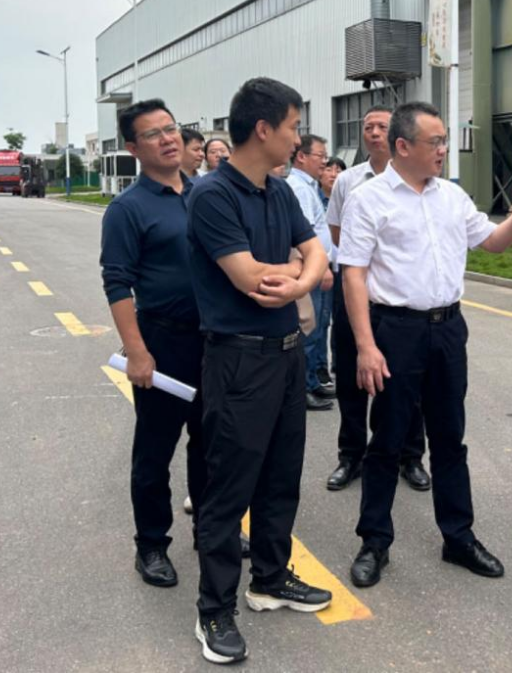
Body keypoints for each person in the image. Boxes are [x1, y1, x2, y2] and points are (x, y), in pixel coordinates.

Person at [338, 101, 512, 588]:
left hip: (448, 329)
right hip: (395, 331)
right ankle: (374, 541)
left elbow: (492, 243)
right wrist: (365, 345)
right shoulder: (368, 199)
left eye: (445, 140)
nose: (444, 149)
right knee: (387, 439)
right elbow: (353, 273)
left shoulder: (451, 196)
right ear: (403, 146)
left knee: (450, 437)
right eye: (436, 142)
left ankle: (459, 537)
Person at [187, 77, 332, 664]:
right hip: (239, 359)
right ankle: (214, 609)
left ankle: (270, 579)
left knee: (280, 477)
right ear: (264, 128)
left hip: (286, 354)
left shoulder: (279, 191)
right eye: (294, 127)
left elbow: (316, 252)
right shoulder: (213, 195)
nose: (298, 139)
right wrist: (299, 275)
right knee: (229, 490)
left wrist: (295, 280)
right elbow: (249, 278)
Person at [100, 99, 205, 591]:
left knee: (212, 443)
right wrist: (137, 351)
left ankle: (211, 528)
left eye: (171, 128)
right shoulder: (128, 209)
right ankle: (152, 544)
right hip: (163, 342)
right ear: (133, 148)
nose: (167, 139)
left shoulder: (205, 194)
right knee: (155, 450)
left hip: (215, 341)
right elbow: (117, 283)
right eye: (153, 134)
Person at [324, 105, 429, 495]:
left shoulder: (420, 178)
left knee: (407, 377)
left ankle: (410, 456)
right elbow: (337, 232)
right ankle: (351, 455)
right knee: (351, 375)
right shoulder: (348, 180)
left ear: (397, 135)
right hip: (354, 289)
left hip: (399, 296)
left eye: (380, 126)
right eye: (367, 126)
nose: (372, 132)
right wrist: (365, 260)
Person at [284, 134, 337, 411]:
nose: (324, 162)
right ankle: (302, 388)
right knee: (308, 329)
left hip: (317, 268)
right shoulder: (299, 188)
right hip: (312, 270)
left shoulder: (308, 186)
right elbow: (304, 235)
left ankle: (312, 380)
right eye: (320, 156)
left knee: (318, 328)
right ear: (302, 157)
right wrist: (321, 267)